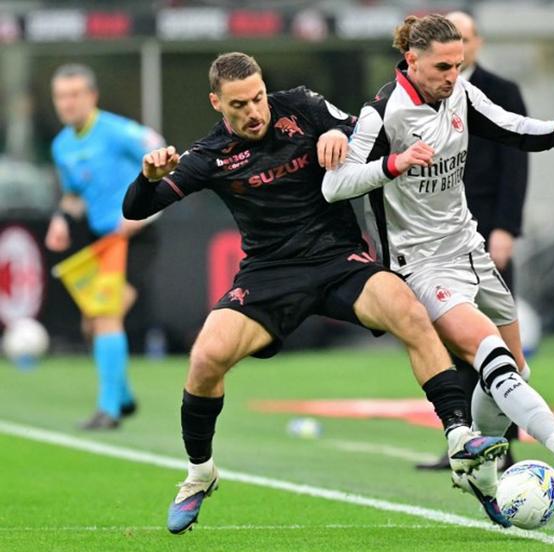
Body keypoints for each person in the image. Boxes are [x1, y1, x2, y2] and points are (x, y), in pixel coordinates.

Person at [121, 52, 508, 535]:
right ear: (217, 102)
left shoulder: (302, 105)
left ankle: (457, 436)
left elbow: (368, 130)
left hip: (336, 259)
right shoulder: (209, 155)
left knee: (408, 310)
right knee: (205, 360)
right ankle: (200, 473)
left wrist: (336, 134)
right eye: (239, 104)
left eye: (258, 97)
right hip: (269, 273)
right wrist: (148, 178)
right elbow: (136, 209)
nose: (254, 111)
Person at [322, 14, 554, 525]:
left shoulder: (462, 95)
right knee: (486, 351)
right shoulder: (383, 112)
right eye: (443, 67)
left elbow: (513, 129)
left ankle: (479, 464)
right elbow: (334, 185)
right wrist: (394, 165)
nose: (453, 76)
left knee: (513, 370)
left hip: (468, 246)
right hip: (420, 263)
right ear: (412, 60)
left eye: (458, 65)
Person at [414, 10, 527, 472]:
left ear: (476, 43)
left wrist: (506, 228)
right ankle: (460, 435)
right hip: (438, 236)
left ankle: (507, 438)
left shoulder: (499, 92)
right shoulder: (419, 95)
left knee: (500, 335)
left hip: (485, 225)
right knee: (448, 337)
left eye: (464, 38)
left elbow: (516, 164)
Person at [45, 64, 164, 430]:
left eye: (74, 95)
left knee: (106, 316)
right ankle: (124, 398)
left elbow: (161, 154)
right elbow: (73, 196)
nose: (67, 103)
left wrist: (140, 215)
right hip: (102, 240)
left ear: (92, 96)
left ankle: (108, 410)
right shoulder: (62, 145)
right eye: (61, 97)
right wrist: (61, 219)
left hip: (136, 237)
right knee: (90, 324)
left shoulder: (116, 131)